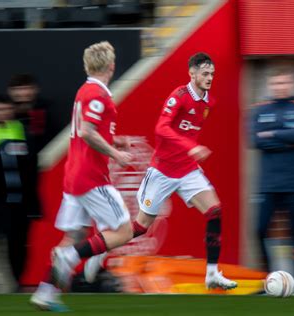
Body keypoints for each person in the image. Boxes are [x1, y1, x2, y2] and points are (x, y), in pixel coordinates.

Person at [85, 52, 238, 291]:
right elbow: (161, 128)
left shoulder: (208, 101)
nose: (210, 78)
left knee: (215, 210)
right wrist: (192, 146)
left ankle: (211, 273)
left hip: (187, 170)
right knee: (139, 228)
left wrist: (190, 151)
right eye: (205, 74)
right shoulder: (179, 96)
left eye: (212, 74)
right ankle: (101, 248)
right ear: (192, 73)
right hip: (162, 172)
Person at [30, 41, 133, 311]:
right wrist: (115, 153)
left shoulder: (84, 91)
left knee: (73, 235)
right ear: (111, 66)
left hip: (75, 175)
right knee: (123, 231)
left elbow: (87, 131)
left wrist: (114, 141)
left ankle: (45, 292)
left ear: (87, 65)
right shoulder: (98, 95)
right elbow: (87, 131)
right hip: (91, 177)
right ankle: (71, 259)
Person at [250, 67, 294, 272]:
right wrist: (286, 138)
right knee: (259, 230)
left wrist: (271, 134)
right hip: (268, 184)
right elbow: (254, 140)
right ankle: (269, 275)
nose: (281, 87)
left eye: (285, 82)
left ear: (292, 84)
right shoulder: (259, 110)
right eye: (276, 83)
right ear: (270, 85)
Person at [0, 95, 40, 287]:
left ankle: (19, 279)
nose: (1, 113)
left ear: (11, 110)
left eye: (4, 109)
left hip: (22, 197)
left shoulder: (22, 132)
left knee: (21, 241)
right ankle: (10, 281)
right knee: (4, 240)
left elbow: (31, 167)